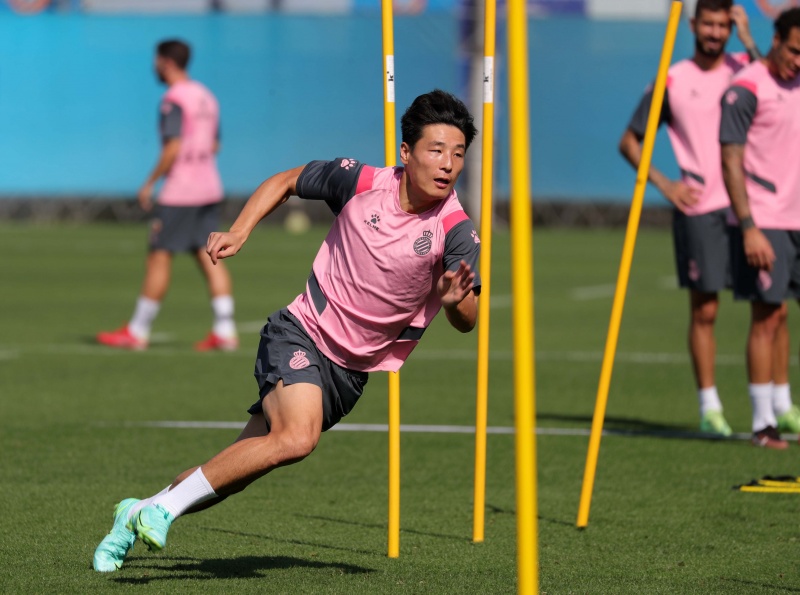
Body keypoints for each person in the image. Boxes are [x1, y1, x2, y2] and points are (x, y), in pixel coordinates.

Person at [92, 89, 481, 572]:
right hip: (300, 331)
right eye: (436, 150)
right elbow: (288, 180)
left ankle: (137, 510)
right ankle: (163, 510)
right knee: (297, 439)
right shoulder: (360, 181)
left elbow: (467, 321)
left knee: (237, 468)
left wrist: (454, 299)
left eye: (459, 153)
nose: (448, 164)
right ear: (407, 153)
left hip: (350, 373)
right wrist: (240, 229)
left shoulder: (457, 230)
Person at [619, 0, 774, 437]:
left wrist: (749, 39)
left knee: (771, 309)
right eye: (708, 23)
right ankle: (710, 407)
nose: (715, 32)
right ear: (693, 25)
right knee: (705, 310)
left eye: (724, 25)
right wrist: (667, 185)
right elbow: (630, 141)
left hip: (754, 207)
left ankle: (777, 405)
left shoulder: (747, 68)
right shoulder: (673, 79)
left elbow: (786, 90)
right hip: (701, 210)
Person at [97, 39, 238, 352]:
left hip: (181, 192)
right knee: (210, 256)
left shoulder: (173, 99)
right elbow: (215, 145)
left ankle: (138, 330)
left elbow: (173, 147)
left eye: (156, 60)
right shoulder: (206, 96)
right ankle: (225, 329)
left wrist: (150, 182)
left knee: (158, 258)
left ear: (166, 63)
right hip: (210, 187)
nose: (155, 66)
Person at [721, 7, 800, 448]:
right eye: (794, 50)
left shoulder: (793, 78)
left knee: (783, 314)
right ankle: (762, 423)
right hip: (764, 221)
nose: (799, 60)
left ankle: (783, 408)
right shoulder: (746, 89)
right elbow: (730, 159)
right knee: (766, 316)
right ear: (777, 42)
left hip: (796, 217)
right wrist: (748, 226)